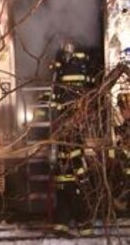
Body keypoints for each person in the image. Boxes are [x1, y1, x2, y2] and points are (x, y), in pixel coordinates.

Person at [49, 41, 96, 236]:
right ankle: (86, 230)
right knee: (79, 203)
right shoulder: (73, 133)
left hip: (62, 179)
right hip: (72, 179)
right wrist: (83, 176)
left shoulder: (60, 133)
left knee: (64, 204)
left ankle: (61, 228)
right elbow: (76, 155)